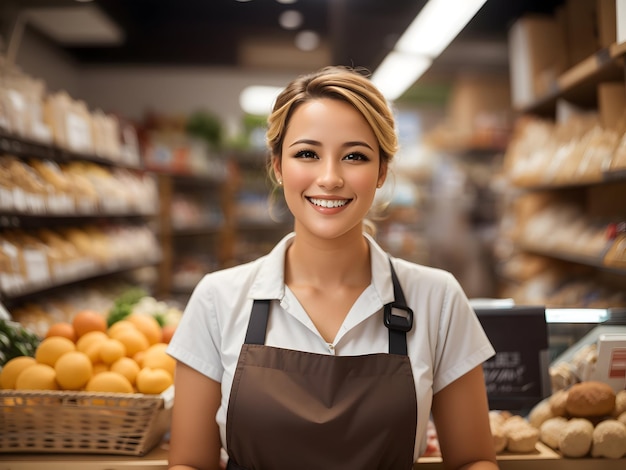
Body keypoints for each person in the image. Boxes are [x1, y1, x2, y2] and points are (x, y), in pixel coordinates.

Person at [166, 65, 499, 470]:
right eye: (307, 154)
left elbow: (472, 461)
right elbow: (190, 464)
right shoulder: (218, 299)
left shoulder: (437, 298)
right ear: (277, 166)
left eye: (354, 156)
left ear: (381, 172)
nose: (329, 178)